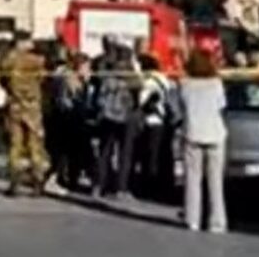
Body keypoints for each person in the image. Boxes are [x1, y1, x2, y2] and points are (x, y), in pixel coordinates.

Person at [178, 48, 228, 233]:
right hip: (215, 133)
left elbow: (180, 107)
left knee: (192, 179)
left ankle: (192, 219)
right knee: (216, 181)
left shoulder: (184, 84)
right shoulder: (216, 83)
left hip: (192, 132)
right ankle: (217, 221)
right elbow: (221, 106)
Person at [1, 31, 49, 197]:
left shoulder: (8, 60)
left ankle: (14, 181)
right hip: (32, 107)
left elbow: (3, 80)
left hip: (15, 106)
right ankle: (37, 181)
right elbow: (43, 80)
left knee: (15, 145)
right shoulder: (37, 61)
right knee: (35, 145)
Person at [92, 42, 139, 198]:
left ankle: (99, 185)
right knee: (125, 153)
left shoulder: (106, 72)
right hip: (126, 116)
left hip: (107, 115)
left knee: (104, 152)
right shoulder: (131, 74)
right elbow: (139, 89)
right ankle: (121, 188)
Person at [49, 52, 94, 191]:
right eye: (86, 66)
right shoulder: (68, 78)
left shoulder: (75, 78)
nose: (89, 70)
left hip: (74, 119)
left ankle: (71, 178)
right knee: (66, 151)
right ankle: (59, 178)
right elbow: (65, 100)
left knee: (74, 152)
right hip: (68, 119)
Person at [136, 53, 177, 198]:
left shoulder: (148, 81)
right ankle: (164, 185)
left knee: (149, 155)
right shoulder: (164, 79)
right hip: (163, 121)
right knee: (163, 154)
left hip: (151, 120)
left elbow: (142, 101)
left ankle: (149, 186)